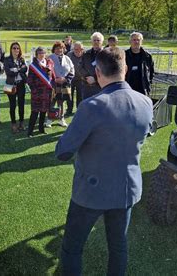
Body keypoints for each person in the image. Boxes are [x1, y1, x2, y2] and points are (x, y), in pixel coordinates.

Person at [55, 48, 153, 276]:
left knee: (72, 249)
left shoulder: (92, 106)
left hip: (91, 191)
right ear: (125, 70)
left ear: (98, 72)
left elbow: (63, 152)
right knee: (118, 247)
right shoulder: (146, 102)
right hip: (126, 189)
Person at [27, 47, 55, 137]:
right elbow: (30, 80)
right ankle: (30, 131)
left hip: (46, 92)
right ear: (36, 54)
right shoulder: (33, 66)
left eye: (43, 53)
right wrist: (35, 89)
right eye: (39, 53)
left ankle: (41, 129)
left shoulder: (49, 64)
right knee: (35, 112)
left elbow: (52, 77)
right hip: (37, 92)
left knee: (43, 112)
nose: (42, 55)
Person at [48, 41, 74, 127]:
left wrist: (65, 79)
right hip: (53, 84)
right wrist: (54, 79)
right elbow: (46, 71)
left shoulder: (67, 58)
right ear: (54, 49)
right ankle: (49, 119)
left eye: (61, 48)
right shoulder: (49, 58)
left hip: (64, 84)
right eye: (57, 48)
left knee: (61, 102)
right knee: (52, 101)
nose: (59, 50)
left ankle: (61, 119)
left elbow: (72, 70)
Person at [3, 42, 28, 133]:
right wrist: (19, 69)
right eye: (14, 48)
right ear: (11, 49)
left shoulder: (22, 59)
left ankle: (21, 123)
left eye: (18, 48)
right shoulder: (7, 59)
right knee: (12, 105)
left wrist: (15, 69)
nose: (16, 50)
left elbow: (25, 69)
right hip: (10, 85)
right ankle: (13, 124)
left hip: (21, 84)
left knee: (21, 105)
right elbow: (8, 72)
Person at [125, 32, 154, 96]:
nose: (136, 42)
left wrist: (148, 84)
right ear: (130, 41)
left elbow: (151, 72)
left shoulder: (147, 56)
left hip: (143, 89)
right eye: (134, 40)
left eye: (138, 40)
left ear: (141, 41)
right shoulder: (124, 55)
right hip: (127, 88)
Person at [80, 32, 104, 99]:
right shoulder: (86, 54)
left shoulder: (106, 54)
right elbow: (80, 67)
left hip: (101, 87)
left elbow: (109, 70)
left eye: (98, 40)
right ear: (91, 41)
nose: (96, 42)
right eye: (94, 40)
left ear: (102, 42)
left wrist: (95, 79)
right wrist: (87, 77)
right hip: (87, 86)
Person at [66, 42, 85, 115]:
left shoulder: (85, 55)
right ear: (73, 48)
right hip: (71, 78)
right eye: (76, 49)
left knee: (80, 95)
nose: (78, 50)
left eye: (81, 49)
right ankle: (69, 109)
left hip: (81, 79)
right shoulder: (69, 55)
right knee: (69, 95)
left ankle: (79, 109)